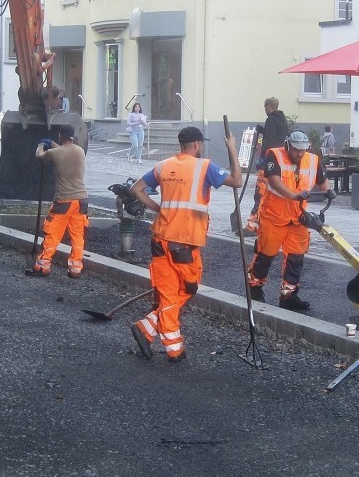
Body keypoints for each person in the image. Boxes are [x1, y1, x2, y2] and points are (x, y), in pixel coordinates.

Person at [128, 126, 243, 362]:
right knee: (187, 289)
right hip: (185, 242)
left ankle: (150, 330)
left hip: (161, 238)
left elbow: (136, 189)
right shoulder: (204, 167)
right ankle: (169, 345)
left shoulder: (164, 166)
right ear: (197, 145)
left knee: (168, 293)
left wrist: (158, 209)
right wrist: (232, 148)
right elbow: (237, 180)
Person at [246, 130, 333, 311]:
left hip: (298, 219)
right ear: (288, 146)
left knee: (296, 259)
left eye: (302, 150)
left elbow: (323, 182)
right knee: (265, 256)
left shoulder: (313, 160)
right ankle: (254, 288)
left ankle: (289, 296)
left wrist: (328, 191)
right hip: (274, 217)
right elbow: (275, 181)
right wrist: (294, 195)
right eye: (295, 150)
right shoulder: (274, 155)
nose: (299, 154)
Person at [27, 124, 88, 278]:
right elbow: (63, 151)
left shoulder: (57, 152)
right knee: (77, 236)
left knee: (53, 233)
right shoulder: (79, 151)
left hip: (63, 201)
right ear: (72, 136)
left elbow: (39, 156)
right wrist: (52, 144)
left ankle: (42, 266)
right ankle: (75, 268)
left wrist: (41, 145)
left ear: (60, 136)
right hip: (81, 200)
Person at [246, 97, 289, 234]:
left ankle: (252, 224)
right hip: (279, 160)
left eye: (265, 106)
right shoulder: (282, 120)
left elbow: (269, 141)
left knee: (260, 192)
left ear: (269, 106)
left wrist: (264, 159)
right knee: (271, 194)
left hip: (268, 161)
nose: (264, 109)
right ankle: (266, 223)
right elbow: (277, 138)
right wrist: (263, 131)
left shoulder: (270, 119)